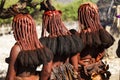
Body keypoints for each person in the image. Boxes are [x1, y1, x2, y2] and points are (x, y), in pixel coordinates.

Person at [39, 0, 84, 79]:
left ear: (46, 23)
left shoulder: (46, 42)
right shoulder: (71, 40)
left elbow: (47, 71)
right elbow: (75, 67)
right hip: (67, 75)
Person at [5, 13, 53, 80]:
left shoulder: (17, 48)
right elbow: (47, 71)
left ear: (21, 29)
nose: (13, 31)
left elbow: (10, 77)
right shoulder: (40, 47)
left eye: (15, 28)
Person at [77, 2, 115, 80]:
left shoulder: (79, 36)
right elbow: (102, 52)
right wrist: (97, 60)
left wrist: (83, 64)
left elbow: (75, 58)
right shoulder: (101, 33)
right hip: (97, 70)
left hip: (84, 72)